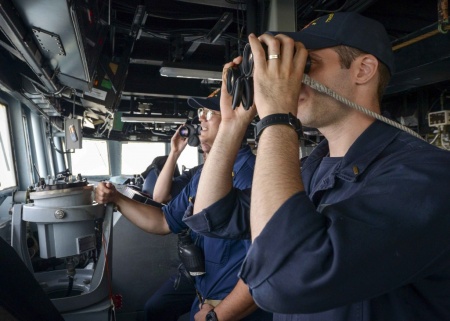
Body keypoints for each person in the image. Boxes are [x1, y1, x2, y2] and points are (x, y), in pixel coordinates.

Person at [190, 12, 450, 321]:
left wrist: (277, 117)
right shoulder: (309, 170)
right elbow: (213, 216)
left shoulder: (425, 177)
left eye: (304, 63)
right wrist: (232, 126)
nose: (289, 76)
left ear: (363, 70)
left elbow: (283, 281)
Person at [95, 90, 272, 321]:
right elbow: (162, 221)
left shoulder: (252, 177)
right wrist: (116, 198)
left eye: (210, 112)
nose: (201, 119)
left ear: (235, 118)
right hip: (203, 301)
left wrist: (217, 316)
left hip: (232, 312)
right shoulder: (204, 177)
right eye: (201, 111)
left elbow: (266, 267)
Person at [144, 126, 202, 321]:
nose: (201, 123)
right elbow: (160, 196)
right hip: (193, 266)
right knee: (155, 309)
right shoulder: (198, 173)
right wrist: (174, 152)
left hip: (219, 266)